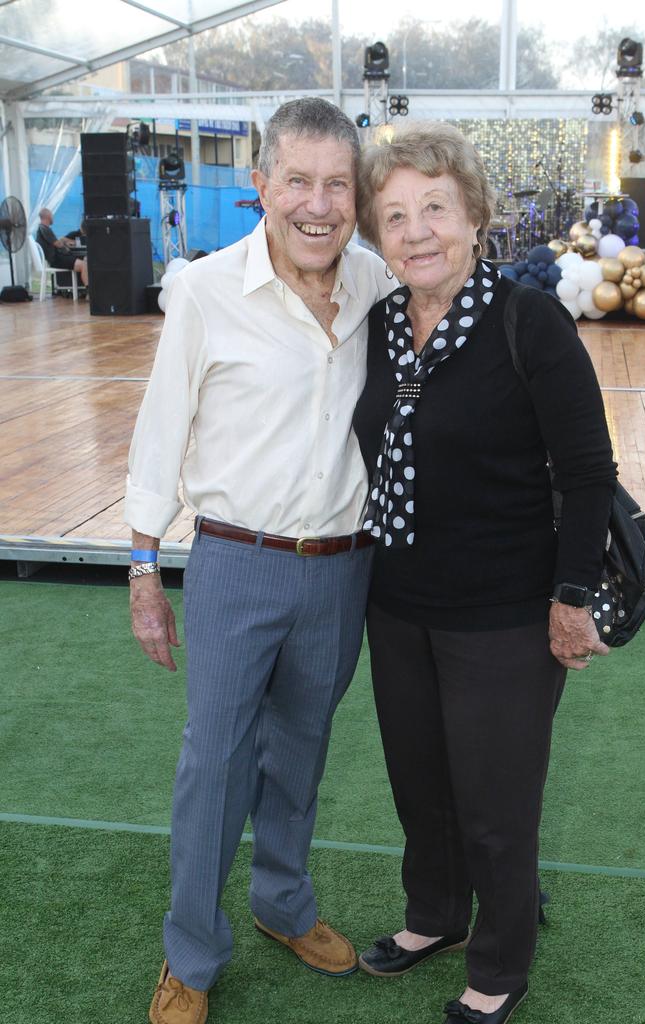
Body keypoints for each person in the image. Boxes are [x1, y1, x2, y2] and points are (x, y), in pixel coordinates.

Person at [125, 97, 391, 1024]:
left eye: (337, 184)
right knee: (216, 763)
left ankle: (283, 903)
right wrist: (143, 569)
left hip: (344, 567)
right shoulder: (203, 291)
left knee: (302, 751)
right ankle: (190, 955)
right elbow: (160, 433)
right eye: (298, 181)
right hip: (238, 565)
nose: (317, 204)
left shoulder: (375, 284)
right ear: (261, 186)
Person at [352, 122, 618, 1024]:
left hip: (505, 613)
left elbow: (588, 473)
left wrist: (571, 597)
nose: (416, 230)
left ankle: (501, 964)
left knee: (496, 804)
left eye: (435, 207)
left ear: (474, 217)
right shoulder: (384, 323)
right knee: (419, 782)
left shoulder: (526, 319)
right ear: (376, 235)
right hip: (398, 602)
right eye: (394, 216)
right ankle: (435, 916)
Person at [35, 207, 88, 286]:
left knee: (84, 262)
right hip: (57, 260)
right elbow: (58, 244)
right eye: (52, 215)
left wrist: (66, 244)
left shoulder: (42, 229)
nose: (53, 217)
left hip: (58, 258)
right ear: (48, 216)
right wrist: (68, 246)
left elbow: (57, 243)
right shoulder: (44, 229)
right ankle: (90, 292)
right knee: (84, 265)